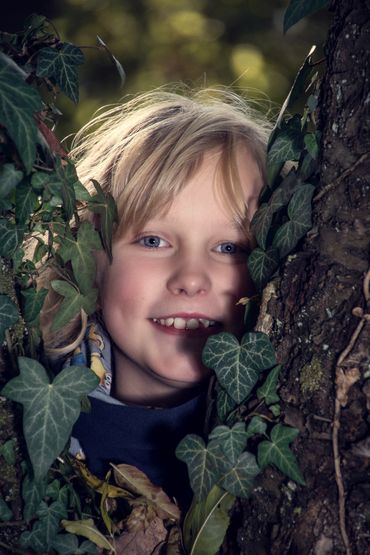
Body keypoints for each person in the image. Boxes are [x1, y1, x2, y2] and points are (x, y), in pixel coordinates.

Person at [41, 88, 271, 506]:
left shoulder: (272, 436)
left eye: (231, 248)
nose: (190, 279)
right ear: (90, 261)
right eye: (152, 240)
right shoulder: (30, 405)